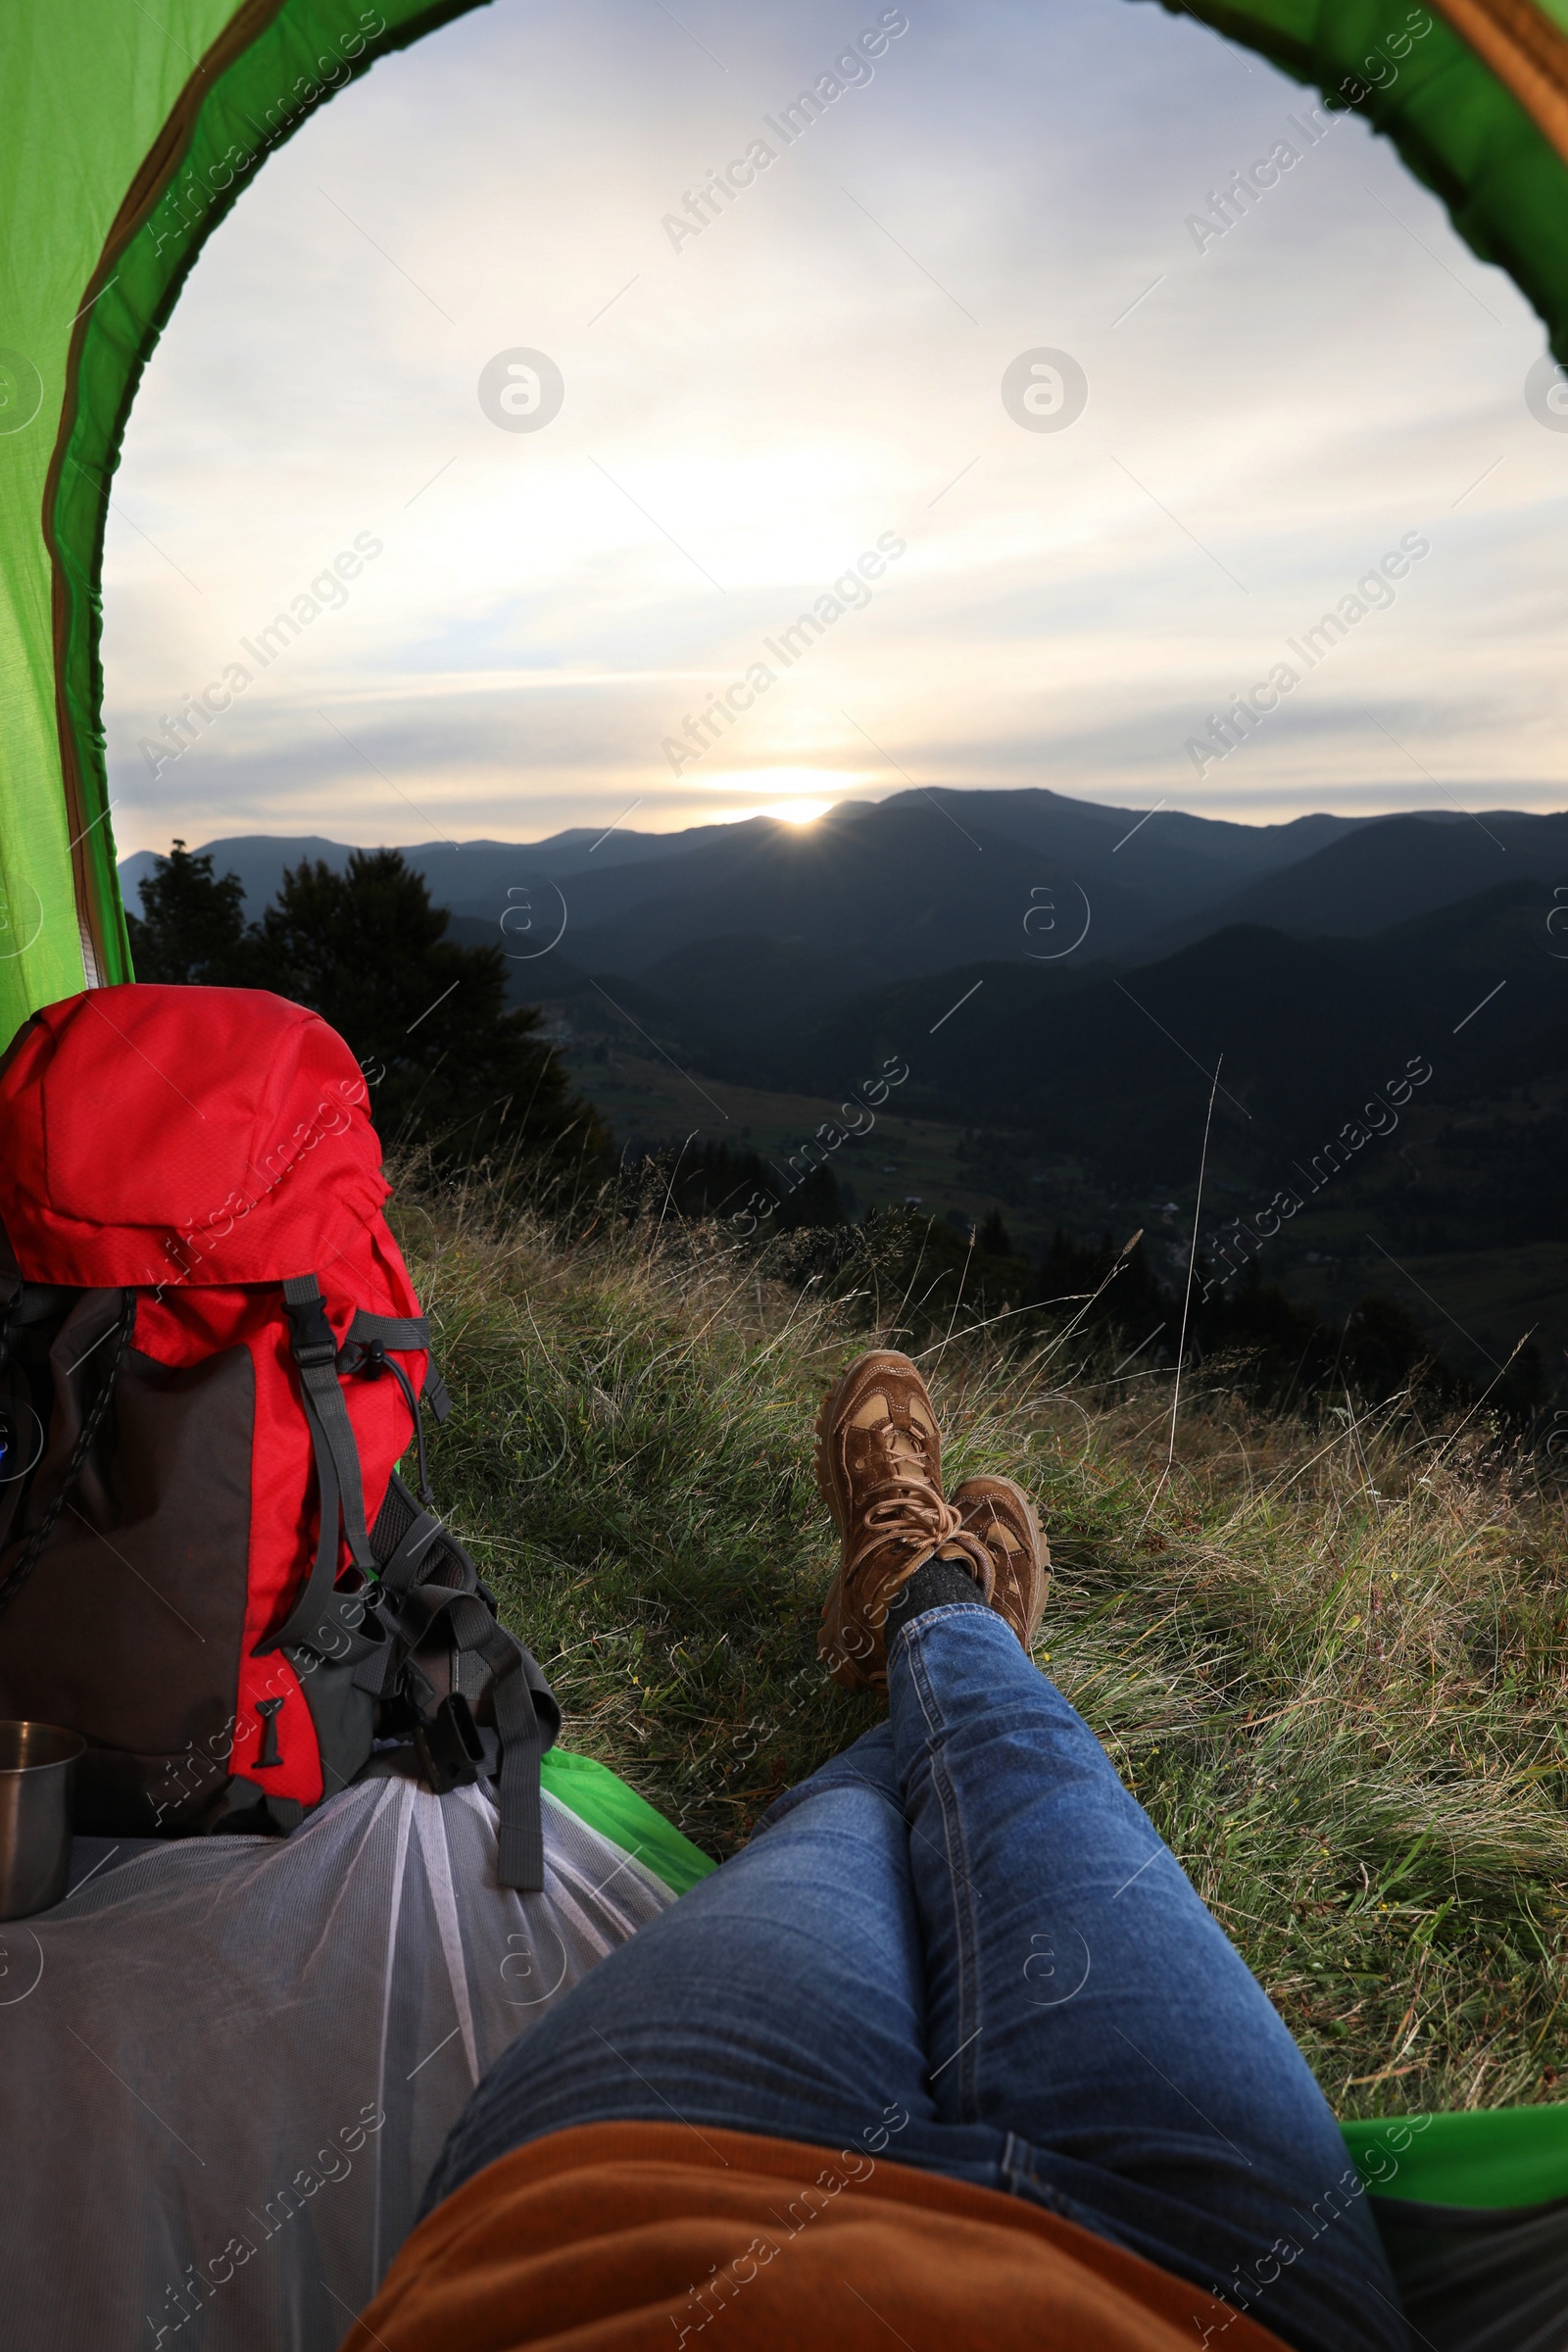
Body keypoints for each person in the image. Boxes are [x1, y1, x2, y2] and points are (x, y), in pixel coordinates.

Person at [342, 1350, 1406, 2352]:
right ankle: (937, 1610)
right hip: (1217, 2294)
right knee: (1031, 1770)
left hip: (637, 2231)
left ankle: (912, 1598)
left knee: (838, 1823)